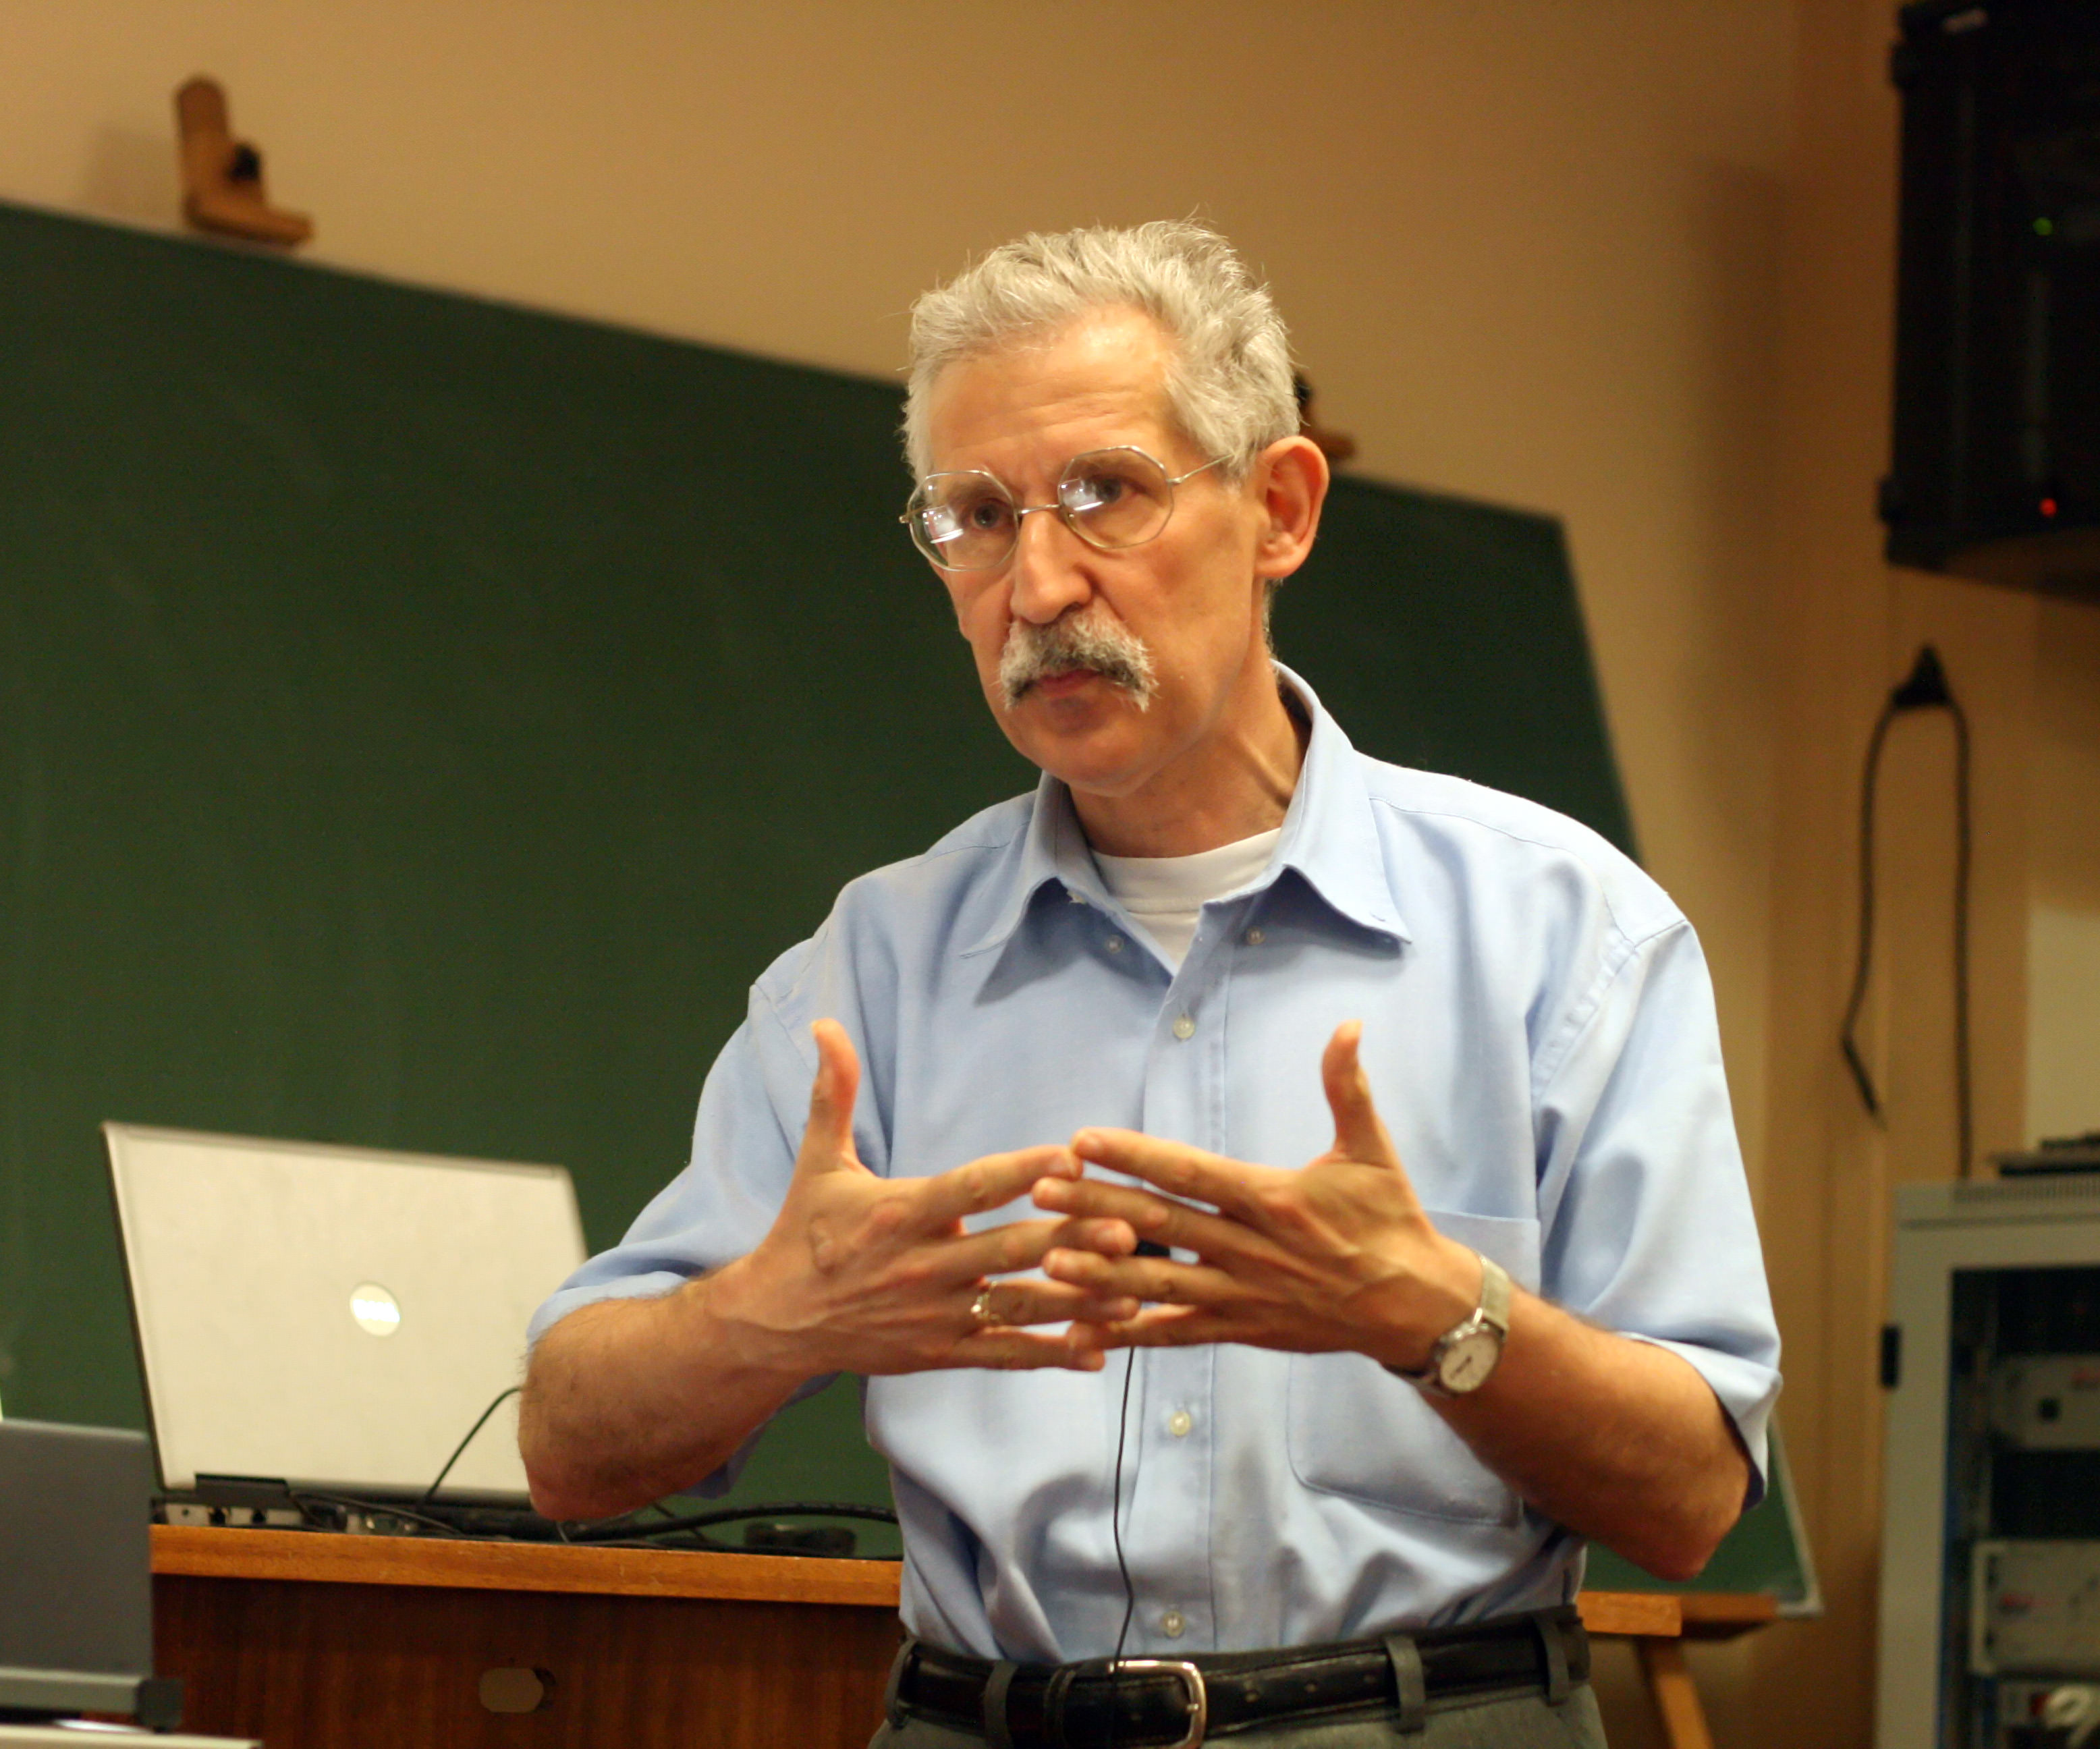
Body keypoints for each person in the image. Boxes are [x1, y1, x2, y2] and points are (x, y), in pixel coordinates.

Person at [520, 221, 1780, 1748]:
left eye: (1104, 493)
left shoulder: (1564, 932)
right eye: (976, 518)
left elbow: (1691, 1498)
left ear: (1278, 509)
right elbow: (569, 1449)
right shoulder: (876, 967)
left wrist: (1430, 1313)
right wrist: (774, 1317)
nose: (1036, 584)